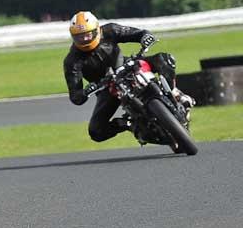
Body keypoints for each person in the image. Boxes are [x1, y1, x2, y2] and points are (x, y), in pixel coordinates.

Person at [63, 11, 195, 142]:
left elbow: (139, 33)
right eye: (80, 37)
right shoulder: (72, 61)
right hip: (106, 87)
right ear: (73, 36)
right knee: (96, 131)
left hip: (128, 67)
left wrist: (145, 37)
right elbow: (76, 97)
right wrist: (86, 91)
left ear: (97, 30)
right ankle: (129, 125)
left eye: (88, 34)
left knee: (165, 59)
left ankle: (174, 92)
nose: (85, 39)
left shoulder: (110, 30)